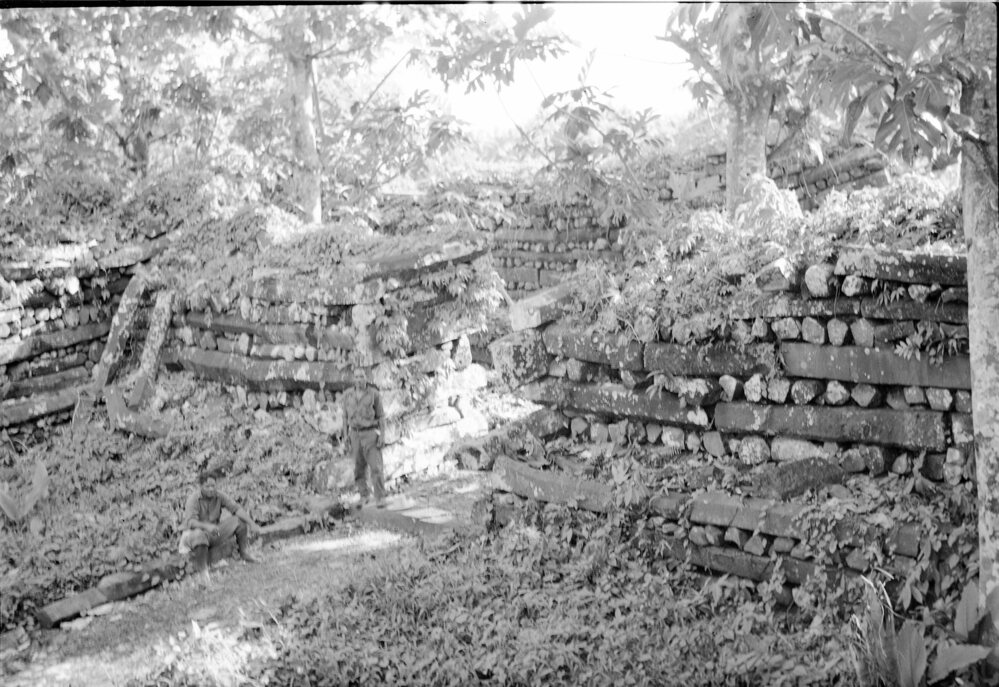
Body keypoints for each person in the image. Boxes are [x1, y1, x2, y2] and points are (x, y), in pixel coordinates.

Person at [179, 472, 262, 569]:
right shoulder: (193, 499)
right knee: (199, 534)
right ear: (201, 486)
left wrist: (252, 524)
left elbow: (236, 508)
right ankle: (203, 569)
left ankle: (244, 553)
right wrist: (207, 526)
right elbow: (191, 522)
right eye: (207, 486)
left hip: (214, 533)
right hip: (195, 536)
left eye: (213, 486)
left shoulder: (219, 495)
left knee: (240, 521)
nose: (211, 489)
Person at [341, 366, 387, 508]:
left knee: (376, 467)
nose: (359, 379)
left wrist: (382, 435)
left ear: (366, 378)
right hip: (354, 434)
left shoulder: (374, 394)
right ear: (353, 379)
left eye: (361, 376)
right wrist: (345, 436)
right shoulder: (348, 395)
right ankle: (364, 495)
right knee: (359, 468)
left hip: (370, 433)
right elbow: (344, 417)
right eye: (356, 377)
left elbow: (381, 416)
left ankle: (380, 497)